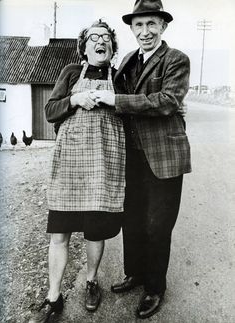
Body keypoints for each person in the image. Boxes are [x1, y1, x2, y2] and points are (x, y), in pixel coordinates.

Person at [93, 0, 191, 319]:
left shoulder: (176, 59)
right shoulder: (127, 60)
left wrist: (118, 100)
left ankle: (154, 287)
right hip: (131, 156)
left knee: (157, 226)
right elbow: (111, 89)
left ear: (163, 26)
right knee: (132, 220)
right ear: (132, 28)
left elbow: (166, 102)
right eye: (138, 25)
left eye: (151, 24)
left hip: (164, 156)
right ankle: (135, 274)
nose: (145, 32)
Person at [28, 19, 125, 322]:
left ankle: (91, 281)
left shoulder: (120, 78)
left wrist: (114, 101)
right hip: (70, 166)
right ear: (83, 48)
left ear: (112, 47)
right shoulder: (71, 72)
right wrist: (74, 99)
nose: (101, 41)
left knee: (95, 234)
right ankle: (53, 297)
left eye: (106, 38)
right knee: (59, 234)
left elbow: (132, 112)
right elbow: (50, 110)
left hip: (103, 168)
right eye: (94, 37)